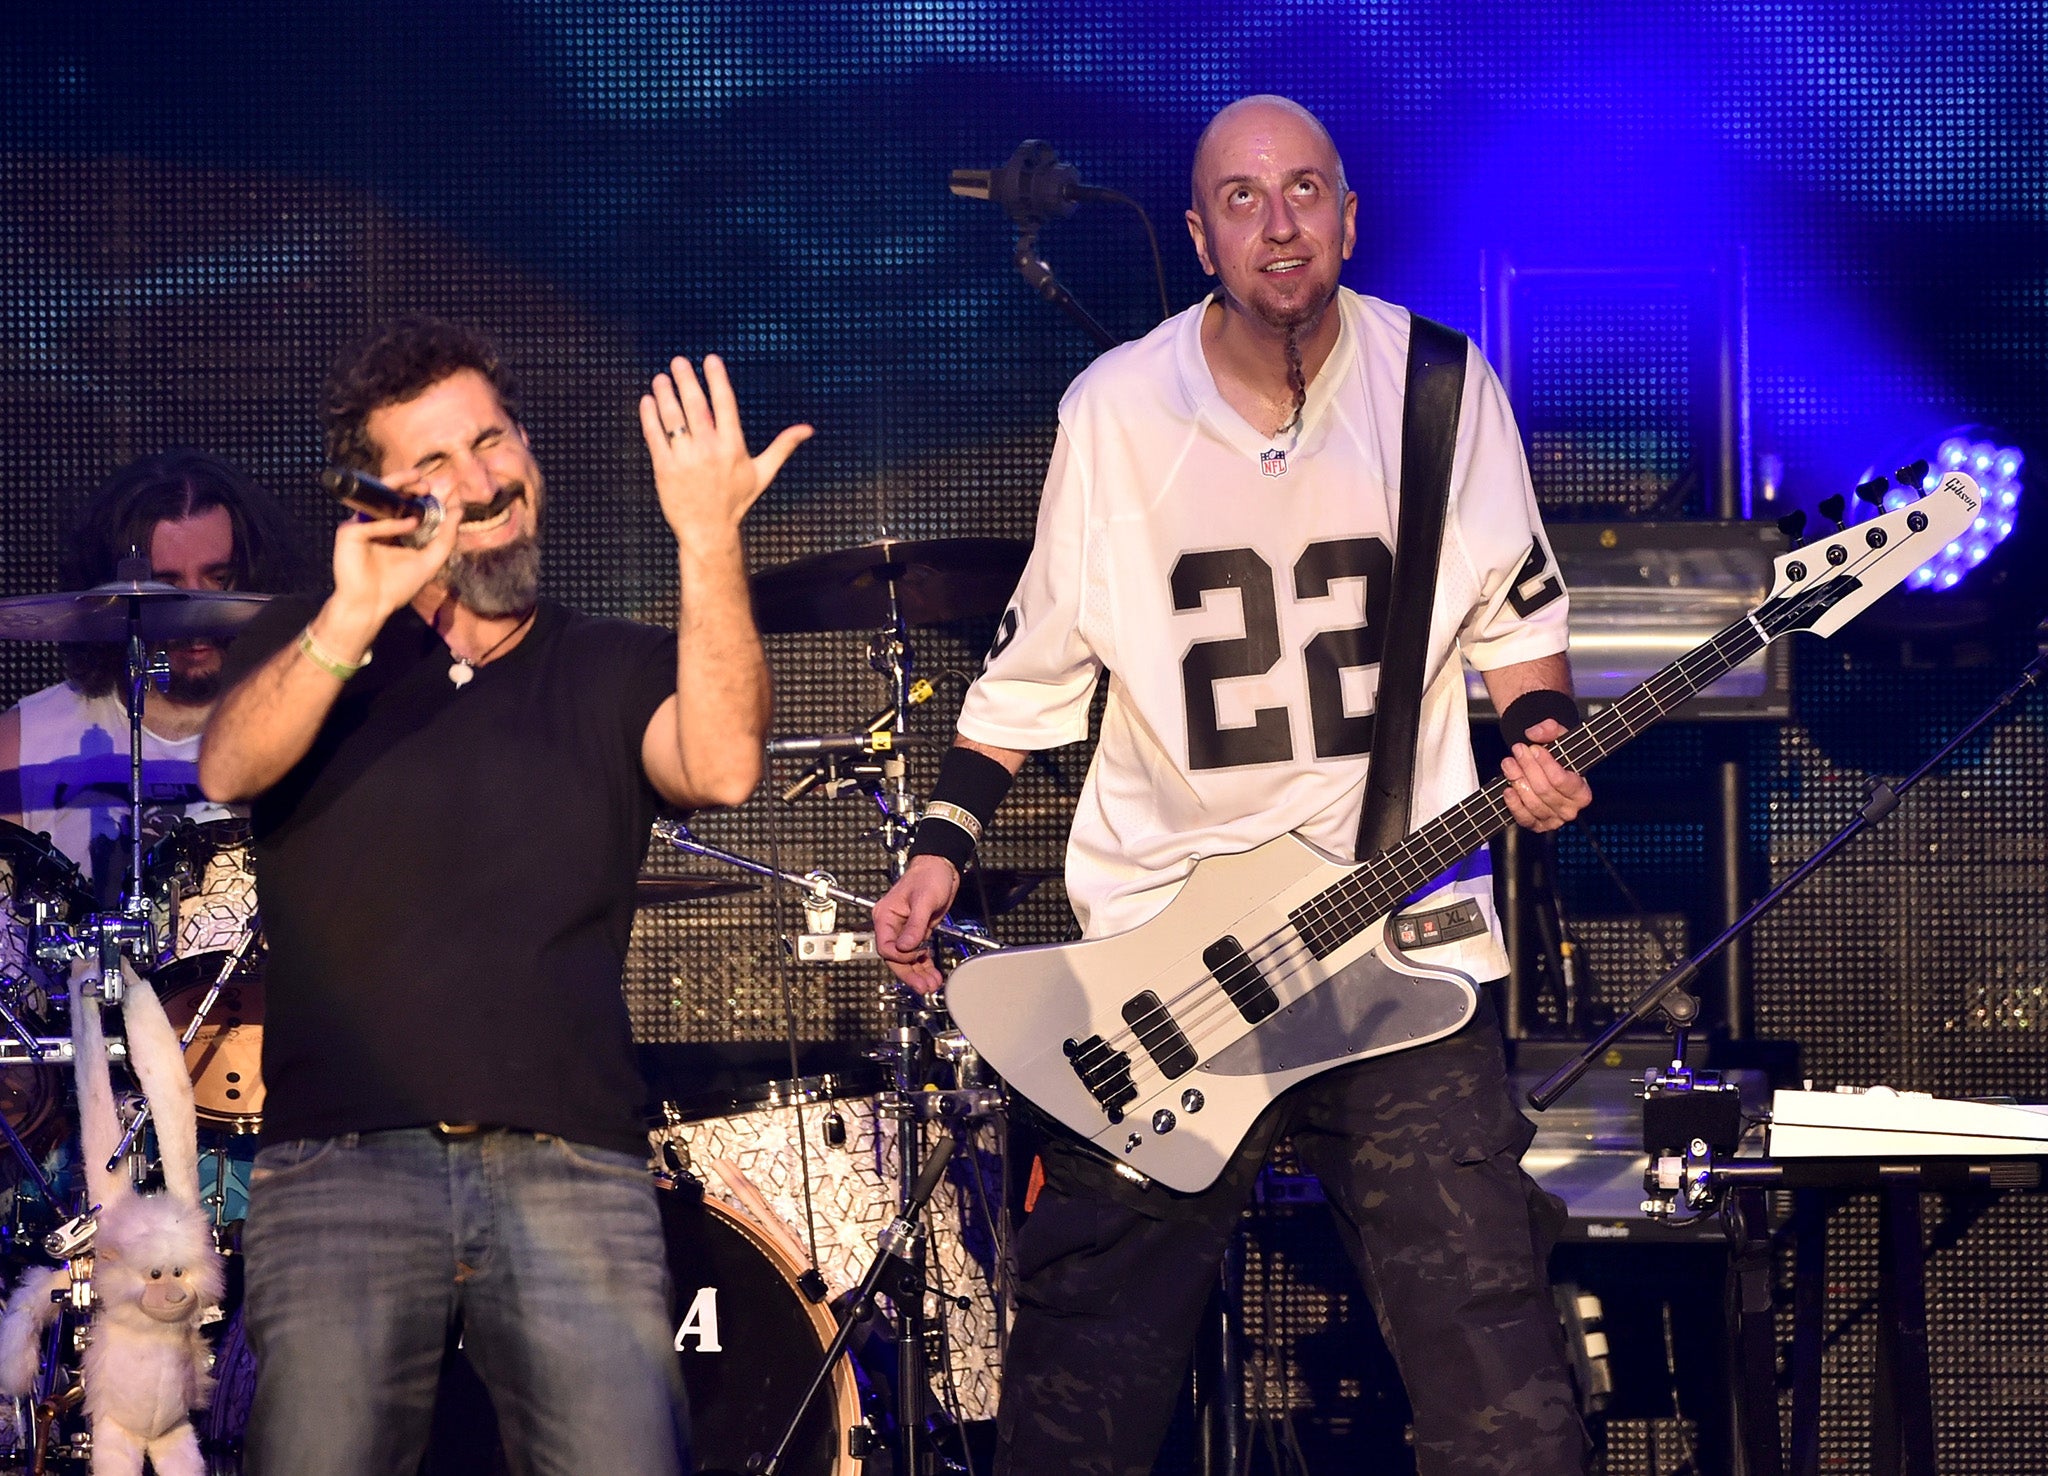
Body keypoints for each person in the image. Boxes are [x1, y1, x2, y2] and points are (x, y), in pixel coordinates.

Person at [874, 97, 1593, 1475]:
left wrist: (1545, 742)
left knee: (1496, 1371)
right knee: (1081, 1390)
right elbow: (1028, 686)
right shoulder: (1117, 414)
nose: (1282, 221)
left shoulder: (1441, 388)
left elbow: (1520, 636)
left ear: (1350, 219)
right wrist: (939, 853)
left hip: (1401, 954)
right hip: (1167, 969)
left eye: (1308, 189)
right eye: (1246, 198)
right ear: (1201, 235)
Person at [197, 316, 809, 1476]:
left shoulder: (607, 665)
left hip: (570, 1168)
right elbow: (229, 768)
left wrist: (706, 537)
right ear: (379, 499)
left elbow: (723, 765)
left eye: (490, 441)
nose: (479, 482)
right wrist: (352, 612)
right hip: (341, 1173)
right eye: (432, 465)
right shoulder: (313, 649)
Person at [0, 449, 311, 892]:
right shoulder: (22, 745)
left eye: (219, 578)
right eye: (166, 585)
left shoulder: (307, 734)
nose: (197, 609)